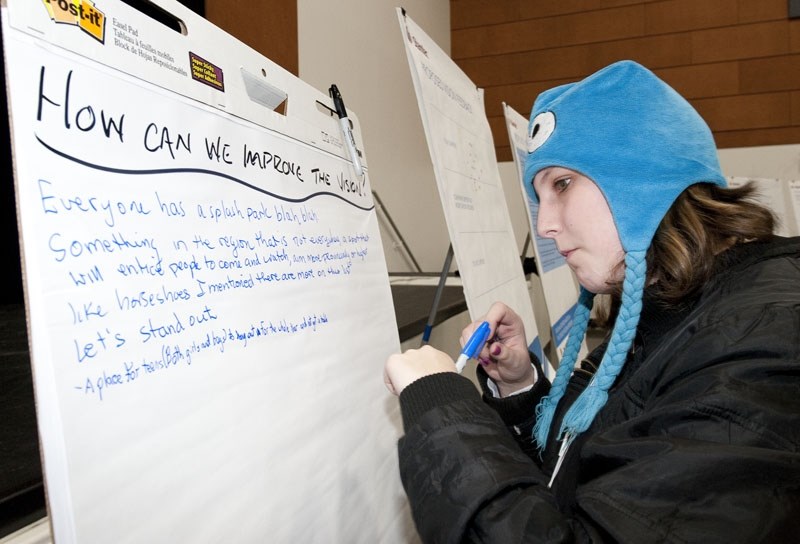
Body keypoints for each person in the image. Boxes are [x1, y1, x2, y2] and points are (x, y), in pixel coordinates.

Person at [383, 60, 800, 542]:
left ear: (643, 176)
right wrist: (521, 387)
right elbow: (587, 474)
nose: (544, 225)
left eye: (562, 184)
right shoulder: (667, 309)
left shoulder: (762, 344)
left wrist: (441, 407)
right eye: (540, 197)